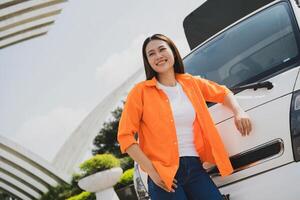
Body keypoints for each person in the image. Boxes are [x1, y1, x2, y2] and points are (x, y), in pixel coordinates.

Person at [117, 34, 252, 200]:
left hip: (195, 168)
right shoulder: (140, 92)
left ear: (173, 52)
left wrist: (238, 111)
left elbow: (223, 92)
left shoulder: (190, 83)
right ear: (148, 61)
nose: (158, 56)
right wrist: (152, 172)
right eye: (151, 54)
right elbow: (125, 137)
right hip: (165, 175)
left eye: (161, 49)